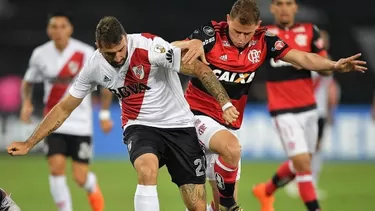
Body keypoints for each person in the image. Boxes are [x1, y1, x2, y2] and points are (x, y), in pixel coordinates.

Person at [8, 16, 240, 211]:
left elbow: (199, 68)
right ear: (98, 46)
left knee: (196, 205)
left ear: (125, 38)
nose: (118, 57)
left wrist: (225, 104)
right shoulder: (94, 66)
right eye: (111, 53)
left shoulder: (150, 47)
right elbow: (64, 107)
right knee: (147, 170)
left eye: (121, 50)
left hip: (180, 125)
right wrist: (30, 143)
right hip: (140, 126)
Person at [173, 0, 366, 210]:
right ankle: (230, 204)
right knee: (231, 151)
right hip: (197, 116)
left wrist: (334, 65)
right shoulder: (209, 34)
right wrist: (188, 43)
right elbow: (169, 50)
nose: (240, 38)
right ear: (228, 20)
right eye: (236, 31)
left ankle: (225, 204)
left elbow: (301, 58)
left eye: (246, 33)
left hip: (230, 123)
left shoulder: (265, 41)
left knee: (218, 205)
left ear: (258, 26)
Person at [249, 0, 360, 210]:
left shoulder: (310, 31)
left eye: (288, 3)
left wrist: (334, 67)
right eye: (279, 4)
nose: (284, 8)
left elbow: (324, 66)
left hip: (309, 107)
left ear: (295, 7)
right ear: (272, 8)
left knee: (301, 162)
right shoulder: (263, 34)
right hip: (282, 109)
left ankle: (266, 190)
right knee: (302, 164)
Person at [19, 12, 112, 211]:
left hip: (81, 124)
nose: (59, 31)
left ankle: (91, 184)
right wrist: (26, 103)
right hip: (53, 122)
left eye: (63, 26)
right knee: (56, 168)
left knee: (80, 177)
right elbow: (28, 81)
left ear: (70, 29)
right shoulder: (40, 54)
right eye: (54, 26)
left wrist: (104, 115)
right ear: (48, 30)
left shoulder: (86, 52)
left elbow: (105, 84)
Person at [283, 30, 341, 199]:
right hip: (304, 109)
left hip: (320, 111)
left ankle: (310, 182)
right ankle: (297, 182)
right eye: (321, 40)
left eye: (325, 41)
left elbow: (330, 88)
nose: (323, 43)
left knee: (315, 148)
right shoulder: (305, 59)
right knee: (305, 149)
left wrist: (331, 109)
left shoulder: (326, 62)